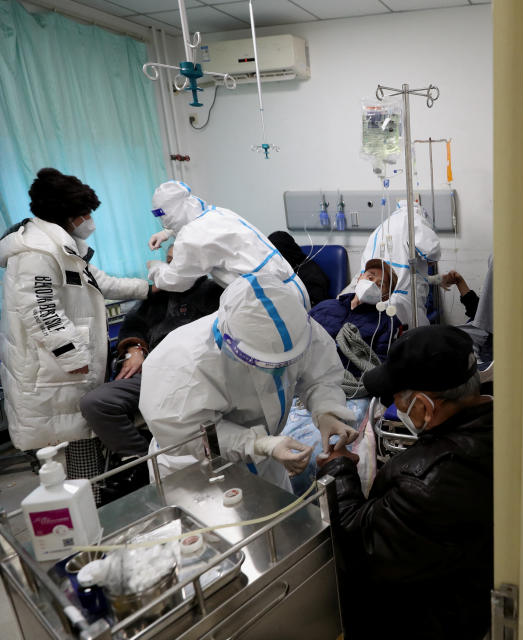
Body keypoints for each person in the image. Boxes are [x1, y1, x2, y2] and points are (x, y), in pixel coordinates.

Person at [318, 325, 492, 639]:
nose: (392, 407)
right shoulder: (497, 425)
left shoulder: (426, 482)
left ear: (424, 407)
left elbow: (359, 547)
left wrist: (339, 471)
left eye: (395, 399)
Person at [0, 168, 149, 489]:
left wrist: (149, 288)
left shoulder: (65, 249)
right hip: (54, 374)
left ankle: (92, 514)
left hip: (68, 373)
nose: (88, 221)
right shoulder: (37, 253)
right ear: (64, 216)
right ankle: (84, 527)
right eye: (83, 214)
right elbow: (42, 312)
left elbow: (102, 282)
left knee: (82, 450)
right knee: (66, 465)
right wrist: (73, 357)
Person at [140, 274, 358, 489]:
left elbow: (320, 373)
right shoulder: (180, 363)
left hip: (265, 462)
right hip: (196, 467)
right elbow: (194, 435)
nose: (279, 371)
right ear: (232, 343)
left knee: (278, 517)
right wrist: (258, 444)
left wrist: (326, 409)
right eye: (267, 364)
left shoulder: (296, 328)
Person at [79, 243, 223, 458]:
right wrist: (134, 348)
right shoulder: (157, 294)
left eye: (177, 261)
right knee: (95, 403)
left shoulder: (215, 292)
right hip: (151, 373)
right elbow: (133, 323)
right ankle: (144, 458)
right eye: (168, 260)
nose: (170, 266)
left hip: (194, 377)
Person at [146, 181, 309, 308]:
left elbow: (176, 281)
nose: (163, 221)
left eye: (162, 215)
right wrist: (167, 232)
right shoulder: (217, 213)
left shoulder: (191, 238)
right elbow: (199, 230)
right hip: (292, 288)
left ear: (173, 211)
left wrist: (156, 269)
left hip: (268, 300)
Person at [309, 258, 401, 395]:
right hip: (309, 376)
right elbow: (300, 337)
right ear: (359, 279)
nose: (372, 284)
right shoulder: (325, 307)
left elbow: (378, 366)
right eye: (370, 277)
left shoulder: (386, 323)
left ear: (386, 296)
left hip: (349, 384)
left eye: (380, 285)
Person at [359, 200, 441, 328]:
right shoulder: (414, 219)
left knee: (381, 333)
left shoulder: (380, 228)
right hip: (404, 298)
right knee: (413, 336)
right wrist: (429, 261)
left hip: (374, 299)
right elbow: (431, 252)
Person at [267, 230, 331, 306]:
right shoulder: (283, 268)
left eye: (276, 256)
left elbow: (316, 307)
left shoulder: (311, 275)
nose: (273, 261)